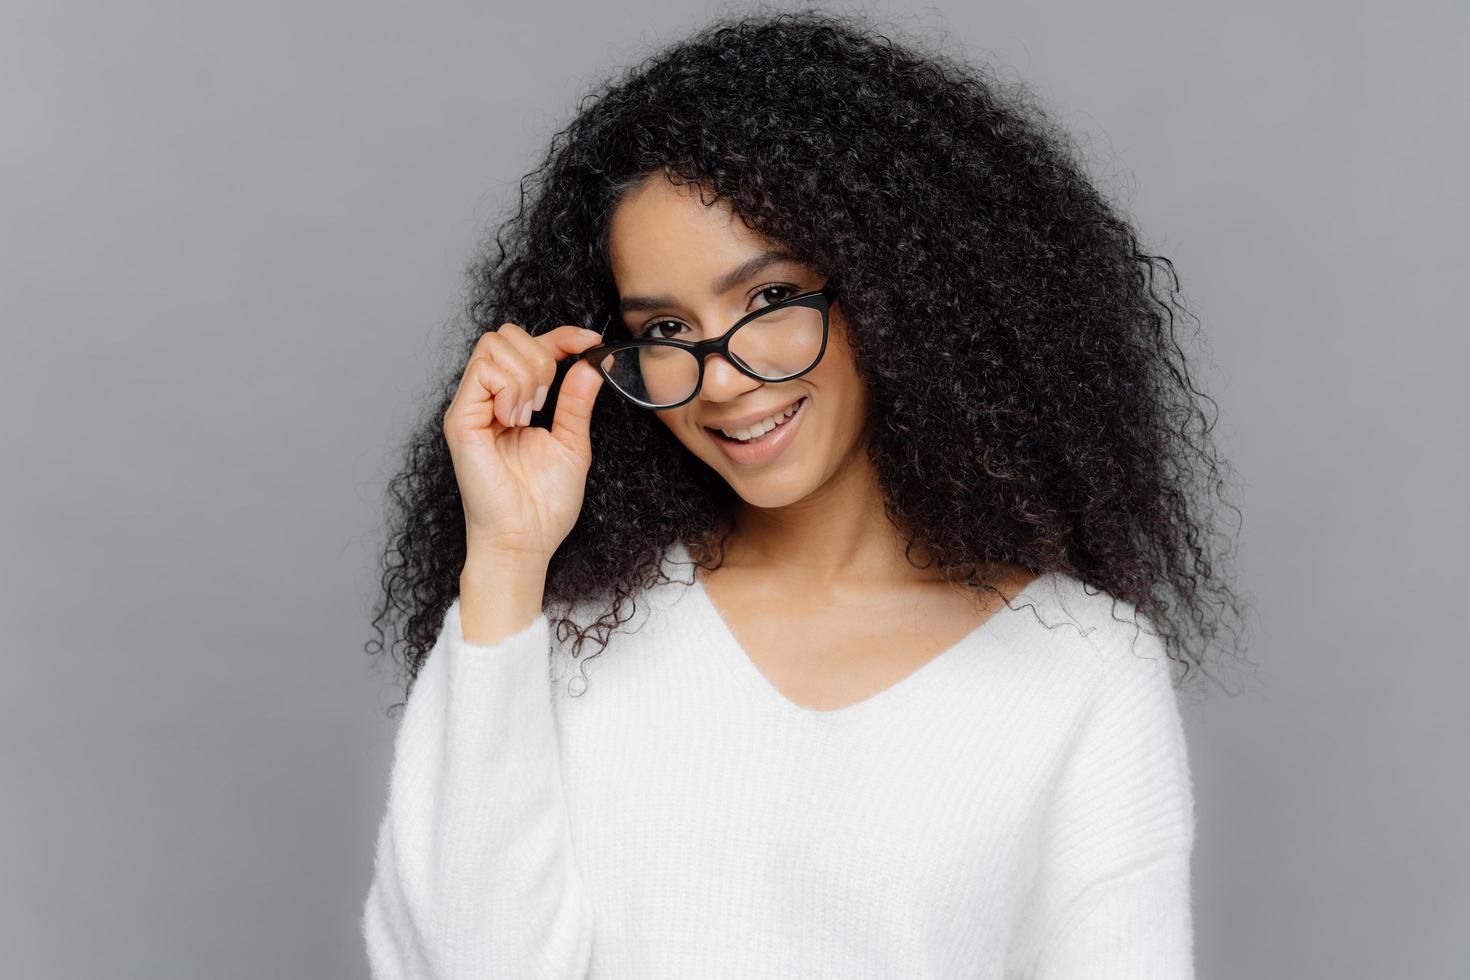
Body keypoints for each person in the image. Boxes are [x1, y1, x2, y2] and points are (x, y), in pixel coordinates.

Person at [359, 9, 1247, 979]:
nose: (725, 376)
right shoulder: (562, 627)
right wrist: (506, 556)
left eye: (770, 300)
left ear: (893, 286)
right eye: (664, 326)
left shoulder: (1082, 671)